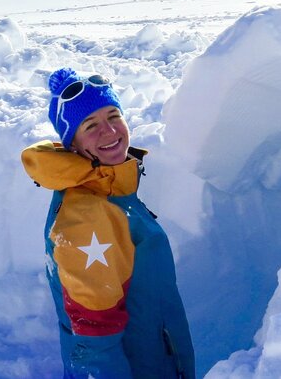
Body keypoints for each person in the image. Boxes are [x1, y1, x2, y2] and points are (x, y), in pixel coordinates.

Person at [21, 68, 195, 378]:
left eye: (114, 116)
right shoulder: (88, 215)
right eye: (90, 125)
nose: (110, 131)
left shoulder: (109, 189)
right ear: (72, 144)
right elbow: (94, 343)